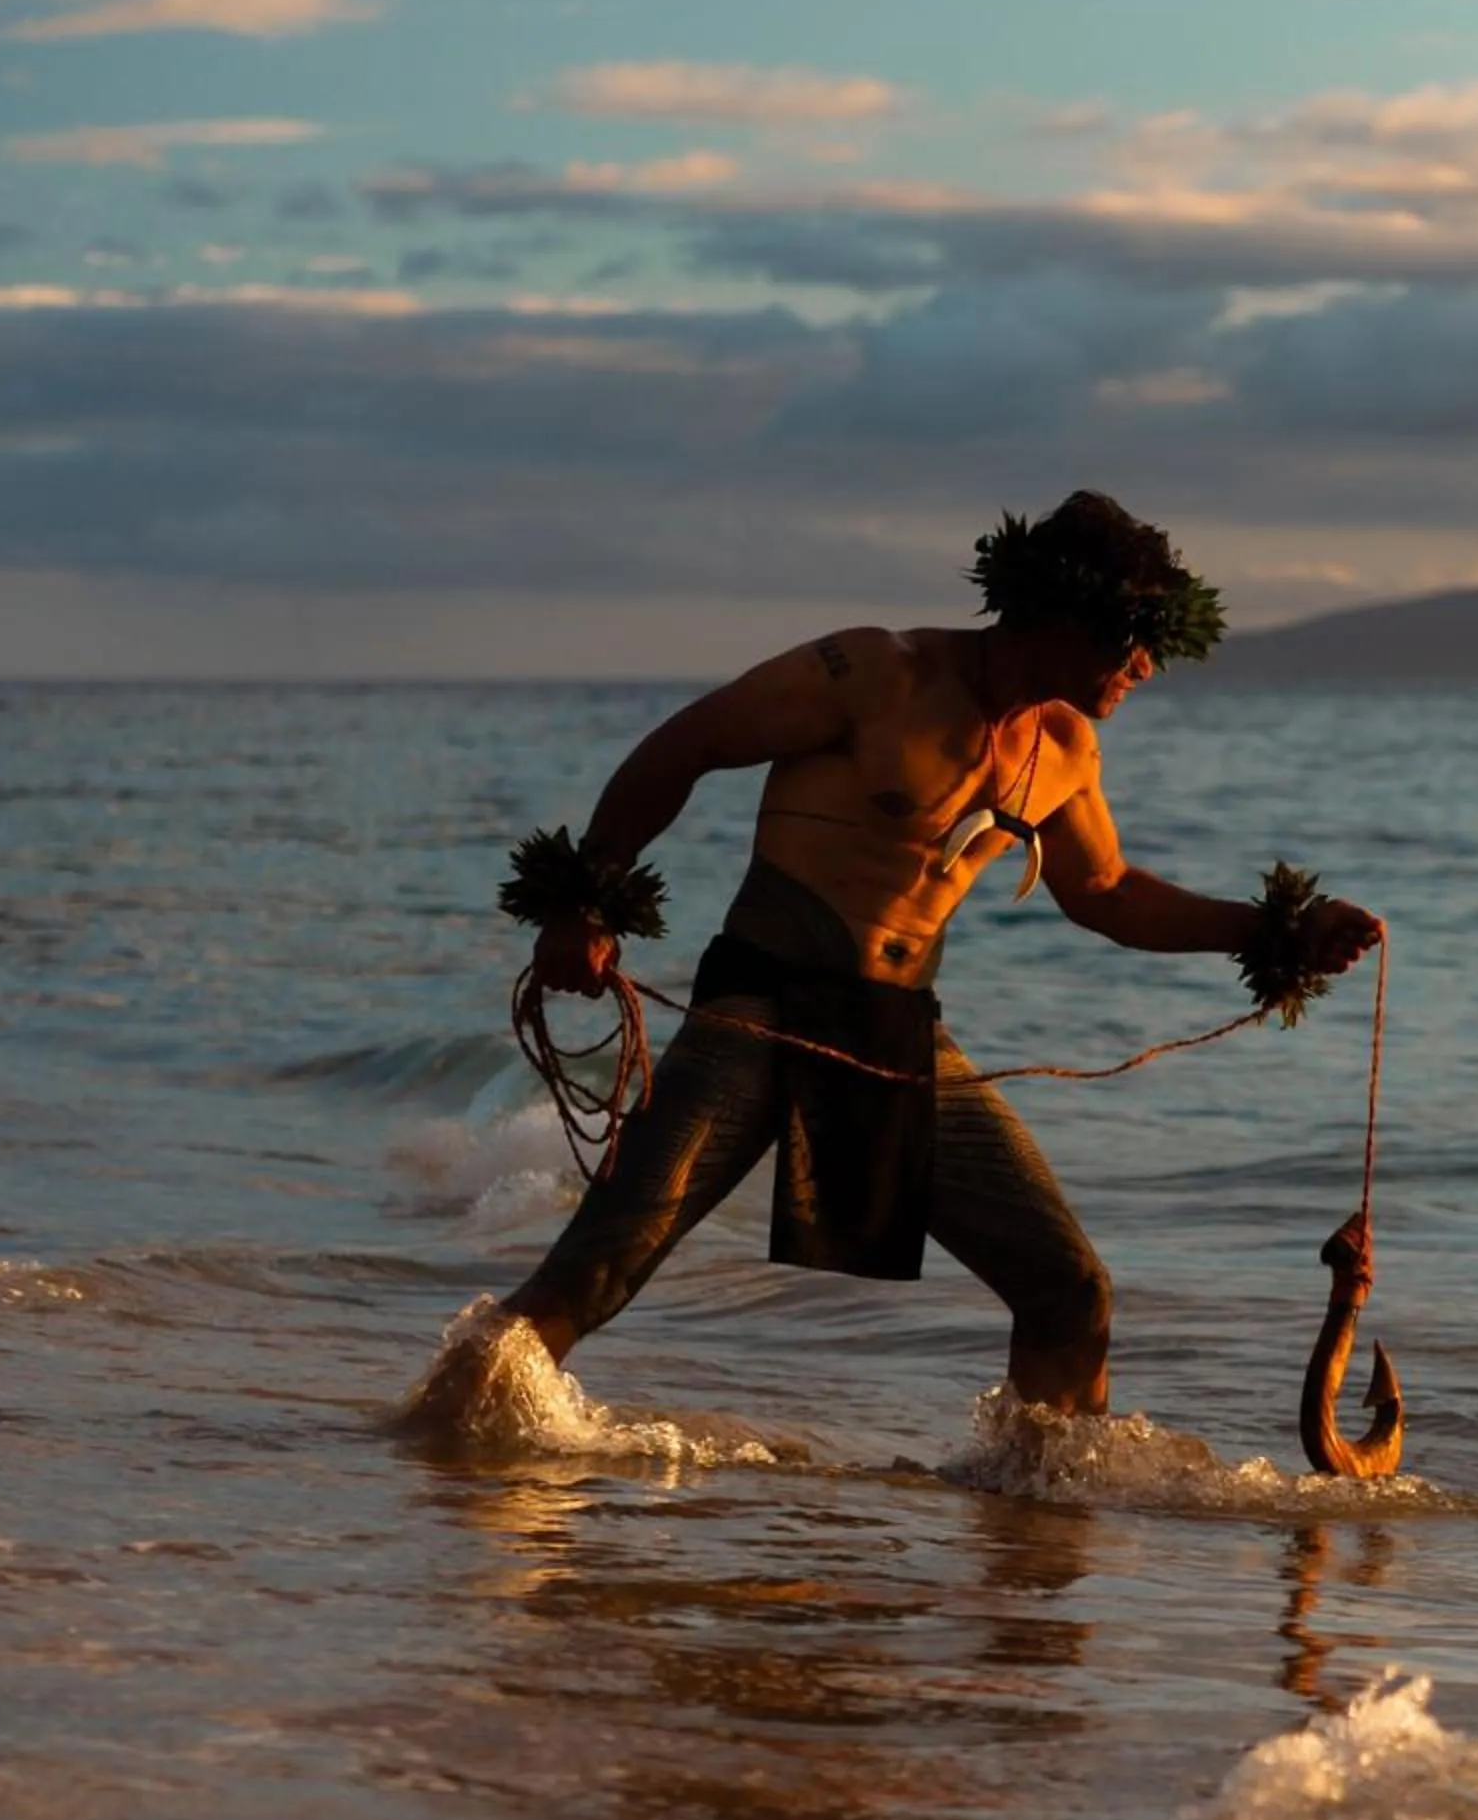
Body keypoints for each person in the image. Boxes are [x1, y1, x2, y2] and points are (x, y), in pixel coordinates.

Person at [491, 492, 1381, 1417]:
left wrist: (1280, 931)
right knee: (601, 1269)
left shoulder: (1064, 748)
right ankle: (451, 1453)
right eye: (1135, 640)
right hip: (761, 1009)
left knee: (1068, 1289)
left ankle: (1040, 1515)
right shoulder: (876, 673)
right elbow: (689, 744)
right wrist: (582, 906)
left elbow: (1108, 892)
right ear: (1063, 618)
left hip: (894, 1031)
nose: (1148, 668)